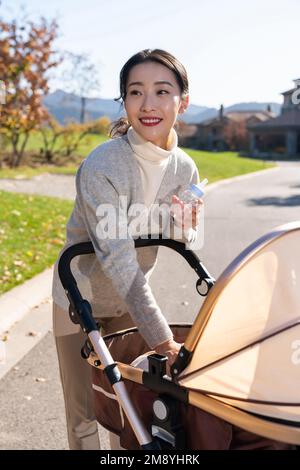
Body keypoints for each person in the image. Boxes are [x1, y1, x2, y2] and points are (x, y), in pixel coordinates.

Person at [51, 48, 202, 450]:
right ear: (124, 102)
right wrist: (162, 340)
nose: (148, 104)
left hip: (129, 303)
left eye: (161, 91)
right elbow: (116, 258)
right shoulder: (103, 165)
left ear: (182, 102)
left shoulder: (184, 168)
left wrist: (186, 226)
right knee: (84, 414)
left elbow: (178, 241)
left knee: (129, 411)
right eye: (135, 92)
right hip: (79, 299)